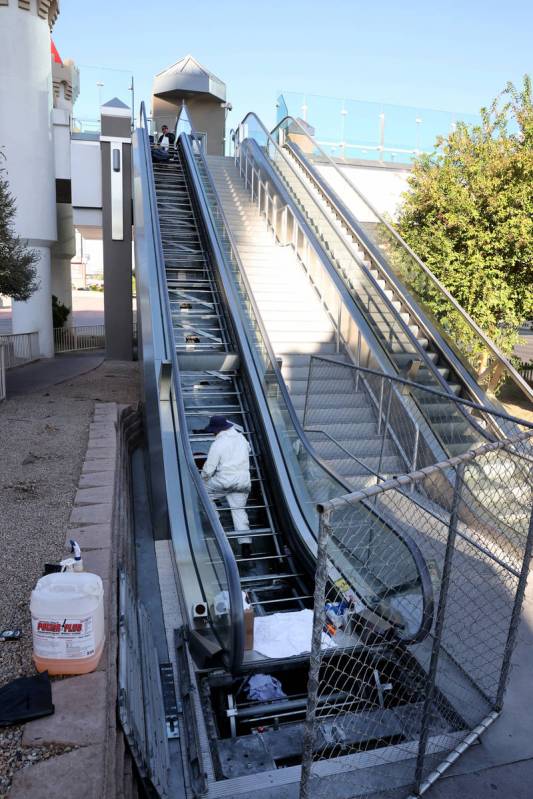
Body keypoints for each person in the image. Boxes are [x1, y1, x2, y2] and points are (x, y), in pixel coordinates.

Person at [198, 415, 252, 552]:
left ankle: (216, 520)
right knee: (239, 510)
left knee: (203, 492)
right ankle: (246, 544)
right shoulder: (241, 438)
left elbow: (209, 468)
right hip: (243, 481)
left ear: (217, 430)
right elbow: (249, 450)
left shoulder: (218, 444)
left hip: (224, 481)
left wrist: (202, 478)